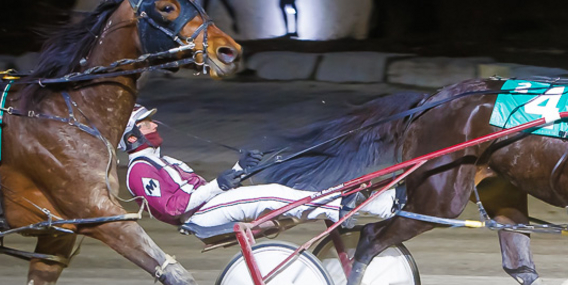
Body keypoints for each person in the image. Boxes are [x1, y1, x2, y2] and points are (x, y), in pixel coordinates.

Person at [120, 105, 395, 228]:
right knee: (272, 194)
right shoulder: (140, 170)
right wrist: (219, 183)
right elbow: (173, 208)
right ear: (133, 136)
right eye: (146, 124)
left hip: (209, 206)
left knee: (283, 191)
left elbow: (204, 190)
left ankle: (373, 201)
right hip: (197, 217)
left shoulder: (160, 160)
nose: (154, 125)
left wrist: (239, 168)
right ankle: (342, 208)